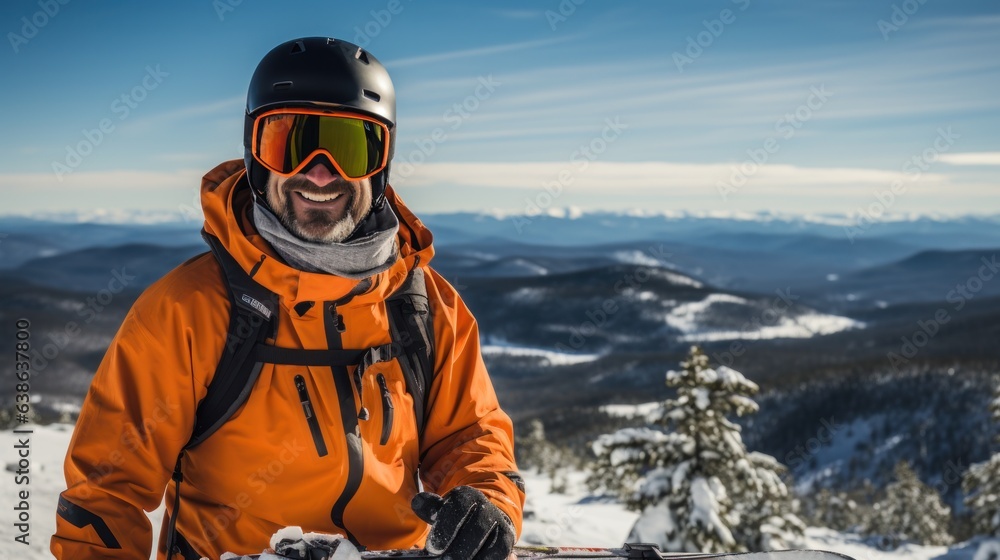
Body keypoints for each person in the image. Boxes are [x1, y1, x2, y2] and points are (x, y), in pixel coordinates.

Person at [50, 37, 524, 560]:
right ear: (256, 157)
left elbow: (470, 435)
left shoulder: (427, 306)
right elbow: (106, 492)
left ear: (381, 164)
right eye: (287, 142)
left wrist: (488, 500)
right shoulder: (187, 310)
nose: (319, 172)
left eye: (349, 146)